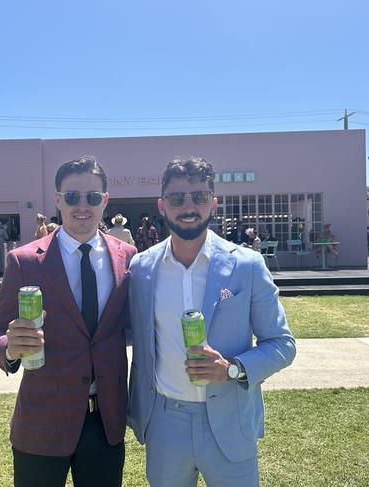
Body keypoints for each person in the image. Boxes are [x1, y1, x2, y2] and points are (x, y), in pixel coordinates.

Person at [127, 158, 296, 486]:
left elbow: (282, 344)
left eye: (199, 197)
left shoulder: (247, 265)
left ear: (213, 204)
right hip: (165, 422)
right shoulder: (142, 269)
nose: (188, 207)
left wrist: (232, 368)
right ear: (162, 206)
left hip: (230, 420)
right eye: (177, 199)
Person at [0, 156, 136, 487]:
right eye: (72, 197)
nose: (83, 206)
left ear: (105, 201)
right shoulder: (24, 261)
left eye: (92, 197)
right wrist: (9, 348)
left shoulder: (128, 257)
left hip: (105, 422)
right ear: (57, 200)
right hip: (42, 421)